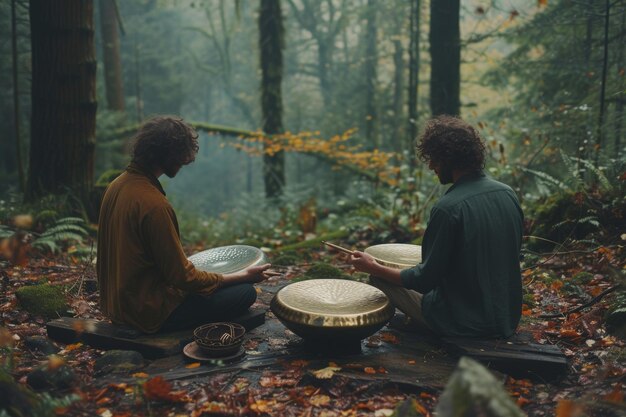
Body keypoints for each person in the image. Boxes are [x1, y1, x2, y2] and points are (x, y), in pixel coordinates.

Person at [348, 115, 524, 338]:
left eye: (434, 159)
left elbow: (424, 281)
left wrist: (372, 266)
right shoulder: (507, 193)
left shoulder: (448, 208)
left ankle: (426, 326)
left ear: (449, 158)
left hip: (464, 323)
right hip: (506, 318)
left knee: (379, 279)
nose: (431, 166)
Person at [97, 115, 274, 333]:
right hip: (148, 314)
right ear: (168, 153)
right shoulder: (153, 205)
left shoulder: (117, 185)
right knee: (245, 293)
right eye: (182, 156)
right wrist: (242, 276)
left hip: (118, 307)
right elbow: (183, 277)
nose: (184, 162)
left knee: (222, 289)